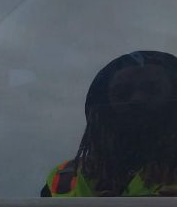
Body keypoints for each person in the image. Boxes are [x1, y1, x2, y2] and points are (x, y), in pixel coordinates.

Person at [43, 50, 177, 197]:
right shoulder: (64, 179)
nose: (136, 99)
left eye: (152, 90)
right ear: (103, 109)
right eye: (122, 93)